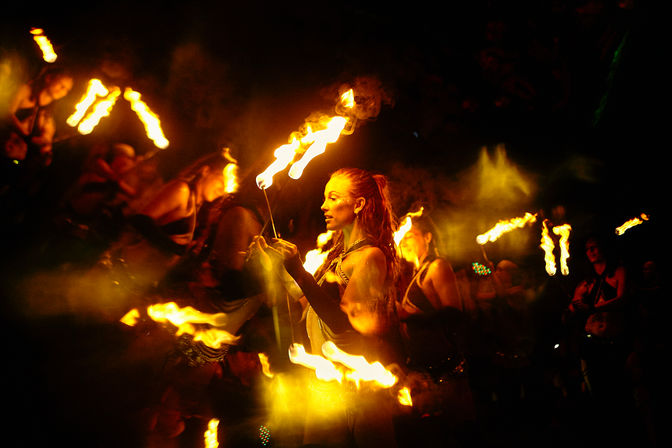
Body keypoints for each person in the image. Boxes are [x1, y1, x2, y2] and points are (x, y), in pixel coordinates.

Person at [252, 166, 402, 448]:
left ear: (358, 204)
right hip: (324, 390)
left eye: (333, 198)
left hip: (358, 394)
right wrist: (272, 265)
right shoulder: (337, 256)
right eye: (324, 198)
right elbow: (305, 300)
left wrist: (299, 270)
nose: (324, 206)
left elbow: (344, 323)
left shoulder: (370, 257)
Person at [394, 211, 476, 446]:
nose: (405, 241)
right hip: (424, 373)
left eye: (411, 235)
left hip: (446, 374)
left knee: (460, 435)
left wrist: (410, 317)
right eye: (403, 237)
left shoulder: (437, 266)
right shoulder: (415, 275)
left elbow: (454, 314)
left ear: (428, 237)